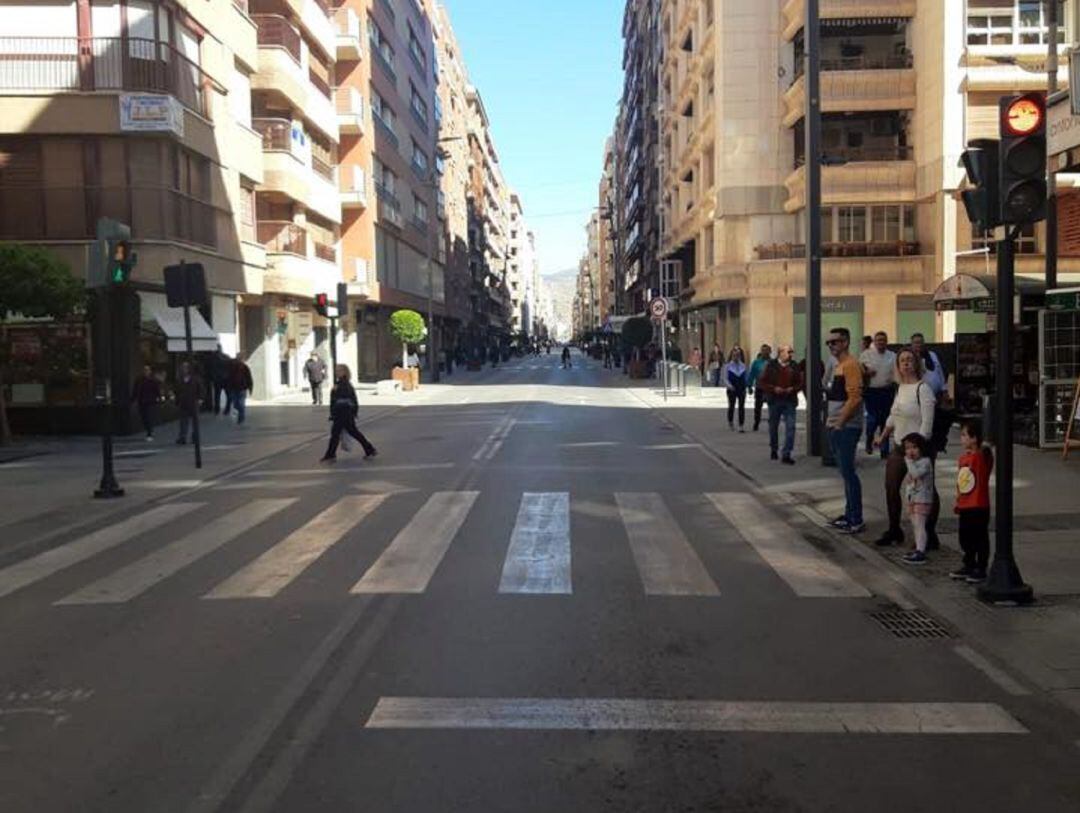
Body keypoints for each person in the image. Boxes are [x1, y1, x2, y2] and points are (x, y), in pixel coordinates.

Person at [874, 348, 938, 548]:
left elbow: (927, 423)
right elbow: (894, 415)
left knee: (924, 491)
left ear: (916, 363)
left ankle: (928, 533)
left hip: (919, 449)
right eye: (902, 360)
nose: (906, 363)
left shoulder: (923, 389)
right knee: (891, 487)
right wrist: (883, 435)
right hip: (899, 446)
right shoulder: (900, 388)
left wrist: (916, 450)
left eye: (910, 359)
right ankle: (894, 529)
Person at [824, 327, 865, 533]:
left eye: (835, 342)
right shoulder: (840, 365)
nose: (831, 345)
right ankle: (850, 514)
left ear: (845, 343)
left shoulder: (850, 365)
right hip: (837, 424)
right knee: (845, 472)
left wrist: (840, 422)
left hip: (846, 426)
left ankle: (856, 517)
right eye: (829, 343)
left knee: (848, 472)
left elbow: (855, 397)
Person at [952, 421, 993, 583]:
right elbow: (961, 483)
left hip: (978, 504)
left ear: (974, 438)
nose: (961, 439)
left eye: (964, 435)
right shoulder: (963, 459)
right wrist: (958, 500)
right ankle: (969, 563)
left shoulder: (980, 457)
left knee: (979, 536)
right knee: (965, 536)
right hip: (965, 503)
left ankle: (981, 567)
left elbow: (987, 455)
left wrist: (984, 446)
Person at [320, 364, 377, 462]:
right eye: (336, 370)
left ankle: (331, 454)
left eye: (338, 370)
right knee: (349, 432)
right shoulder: (343, 383)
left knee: (338, 434)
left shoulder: (343, 384)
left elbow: (341, 399)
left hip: (343, 413)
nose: (336, 372)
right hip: (344, 413)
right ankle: (369, 449)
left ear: (344, 372)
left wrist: (335, 393)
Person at [760, 344, 803, 464]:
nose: (790, 355)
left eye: (791, 352)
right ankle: (774, 448)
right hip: (775, 400)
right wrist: (774, 389)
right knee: (773, 426)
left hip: (789, 400)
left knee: (791, 427)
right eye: (788, 352)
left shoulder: (794, 366)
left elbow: (800, 382)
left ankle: (786, 453)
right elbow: (762, 382)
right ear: (780, 353)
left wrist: (793, 389)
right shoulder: (771, 365)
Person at [860, 331, 897, 457]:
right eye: (878, 340)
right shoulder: (866, 355)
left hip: (887, 391)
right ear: (874, 342)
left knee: (886, 421)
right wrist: (866, 372)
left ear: (887, 342)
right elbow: (859, 369)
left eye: (883, 340)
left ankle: (884, 450)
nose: (881, 342)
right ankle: (869, 439)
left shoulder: (892, 356)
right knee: (872, 420)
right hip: (872, 392)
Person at [900, 432, 935, 565]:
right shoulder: (914, 463)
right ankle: (918, 546)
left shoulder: (925, 462)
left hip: (922, 499)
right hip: (913, 498)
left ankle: (921, 550)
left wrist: (908, 461)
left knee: (920, 524)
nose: (910, 451)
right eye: (907, 448)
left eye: (914, 447)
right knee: (915, 524)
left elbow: (914, 474)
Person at [910, 332, 946, 397]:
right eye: (916, 343)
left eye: (921, 342)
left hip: (936, 394)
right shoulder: (909, 357)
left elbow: (939, 372)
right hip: (919, 395)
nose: (919, 345)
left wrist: (944, 389)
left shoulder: (932, 354)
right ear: (912, 344)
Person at [131, 365, 161, 441]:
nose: (146, 372)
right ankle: (149, 430)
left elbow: (157, 390)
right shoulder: (139, 380)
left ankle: (149, 433)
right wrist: (133, 400)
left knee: (148, 417)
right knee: (143, 417)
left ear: (150, 371)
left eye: (147, 370)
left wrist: (158, 398)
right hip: (141, 401)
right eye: (144, 370)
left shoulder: (152, 380)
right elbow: (135, 390)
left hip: (150, 402)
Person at [175, 361, 201, 445]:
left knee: (195, 421)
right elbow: (177, 391)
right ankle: (183, 437)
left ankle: (195, 437)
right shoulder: (179, 379)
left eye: (186, 368)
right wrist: (177, 400)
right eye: (183, 368)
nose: (184, 370)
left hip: (193, 402)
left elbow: (201, 389)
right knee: (183, 421)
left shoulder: (195, 378)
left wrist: (200, 399)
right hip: (183, 403)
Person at [723, 346, 748, 432]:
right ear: (732, 355)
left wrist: (747, 386)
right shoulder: (728, 366)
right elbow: (725, 378)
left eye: (738, 355)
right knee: (732, 406)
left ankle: (741, 425)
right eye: (735, 355)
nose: (736, 357)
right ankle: (731, 422)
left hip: (741, 388)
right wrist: (730, 386)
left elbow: (746, 376)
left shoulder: (743, 366)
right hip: (732, 389)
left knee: (741, 407)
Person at [747, 344, 772, 432]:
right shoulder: (756, 362)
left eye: (766, 350)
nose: (764, 352)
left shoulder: (773, 363)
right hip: (759, 387)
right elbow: (752, 375)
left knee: (772, 407)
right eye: (763, 350)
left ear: (770, 352)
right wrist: (749, 386)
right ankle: (756, 422)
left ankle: (772, 423)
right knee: (758, 407)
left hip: (770, 389)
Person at [226, 355, 254, 425]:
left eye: (240, 359)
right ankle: (240, 416)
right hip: (234, 388)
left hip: (242, 388)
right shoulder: (232, 367)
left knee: (241, 403)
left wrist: (250, 388)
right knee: (236, 404)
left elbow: (249, 378)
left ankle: (241, 418)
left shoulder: (245, 367)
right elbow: (229, 378)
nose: (239, 360)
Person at [208, 345, 231, 415]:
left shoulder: (212, 358)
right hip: (226, 379)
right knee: (228, 395)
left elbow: (210, 369)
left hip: (217, 380)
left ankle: (217, 410)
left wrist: (212, 378)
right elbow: (230, 367)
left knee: (217, 396)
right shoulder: (226, 357)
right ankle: (227, 409)